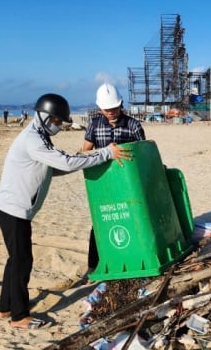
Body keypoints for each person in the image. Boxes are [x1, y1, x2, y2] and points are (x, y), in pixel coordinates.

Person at [0, 93, 133, 330]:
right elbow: (64, 163)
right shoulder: (33, 140)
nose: (59, 125)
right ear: (46, 116)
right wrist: (105, 154)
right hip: (14, 209)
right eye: (57, 121)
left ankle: (4, 308)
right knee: (22, 262)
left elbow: (53, 168)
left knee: (15, 259)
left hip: (13, 208)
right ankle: (18, 316)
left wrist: (84, 160)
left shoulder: (40, 136)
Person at [81, 83, 146, 282]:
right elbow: (84, 152)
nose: (110, 112)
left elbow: (142, 153)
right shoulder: (94, 124)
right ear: (100, 108)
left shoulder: (133, 125)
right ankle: (93, 266)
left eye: (114, 108)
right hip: (103, 182)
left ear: (121, 104)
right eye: (106, 109)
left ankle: (133, 259)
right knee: (100, 221)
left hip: (128, 183)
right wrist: (106, 152)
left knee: (131, 217)